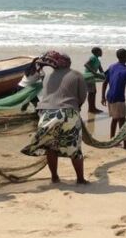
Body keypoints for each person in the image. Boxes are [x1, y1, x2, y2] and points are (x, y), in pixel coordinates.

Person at [21, 51, 89, 185]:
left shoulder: (47, 77)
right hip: (68, 113)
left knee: (50, 147)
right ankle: (80, 179)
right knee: (74, 148)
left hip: (46, 114)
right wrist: (76, 107)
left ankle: (55, 177)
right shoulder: (76, 75)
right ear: (68, 63)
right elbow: (82, 96)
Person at [84, 47, 105, 113]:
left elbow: (101, 70)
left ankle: (93, 108)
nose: (102, 52)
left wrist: (105, 76)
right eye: (100, 51)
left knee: (93, 92)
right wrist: (94, 72)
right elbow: (86, 64)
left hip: (92, 77)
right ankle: (91, 109)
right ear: (97, 52)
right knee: (91, 93)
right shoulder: (93, 58)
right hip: (89, 76)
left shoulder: (98, 61)